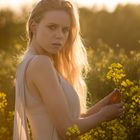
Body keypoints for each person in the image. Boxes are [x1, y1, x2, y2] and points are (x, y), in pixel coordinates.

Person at [13, 0, 124, 140]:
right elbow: (67, 130)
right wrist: (103, 115)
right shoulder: (41, 64)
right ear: (34, 27)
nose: (59, 35)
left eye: (65, 29)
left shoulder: (29, 62)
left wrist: (102, 106)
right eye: (52, 27)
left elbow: (71, 120)